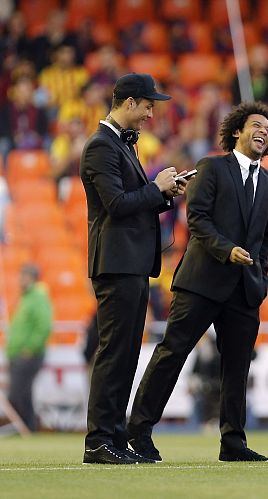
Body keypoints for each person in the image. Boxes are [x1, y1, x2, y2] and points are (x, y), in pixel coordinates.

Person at [127, 102, 268, 463]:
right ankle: (138, 431)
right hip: (202, 281)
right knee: (173, 354)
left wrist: (260, 272)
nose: (263, 132)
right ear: (237, 131)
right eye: (256, 125)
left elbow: (266, 239)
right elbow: (196, 220)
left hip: (244, 289)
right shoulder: (211, 167)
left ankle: (233, 442)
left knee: (238, 366)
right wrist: (227, 251)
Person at [80, 73, 180, 465]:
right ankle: (99, 441)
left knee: (124, 356)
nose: (151, 114)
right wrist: (156, 188)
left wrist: (163, 192)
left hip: (131, 263)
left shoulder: (119, 146)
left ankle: (115, 440)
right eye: (148, 105)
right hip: (117, 264)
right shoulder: (100, 147)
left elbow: (129, 201)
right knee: (114, 354)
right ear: (129, 103)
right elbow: (117, 204)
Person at [5, 264, 53, 432]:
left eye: (24, 276)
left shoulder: (37, 297)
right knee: (23, 394)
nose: (20, 279)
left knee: (17, 394)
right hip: (18, 353)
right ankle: (29, 428)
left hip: (27, 354)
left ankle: (26, 427)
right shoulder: (26, 297)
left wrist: (30, 348)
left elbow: (44, 325)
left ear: (33, 278)